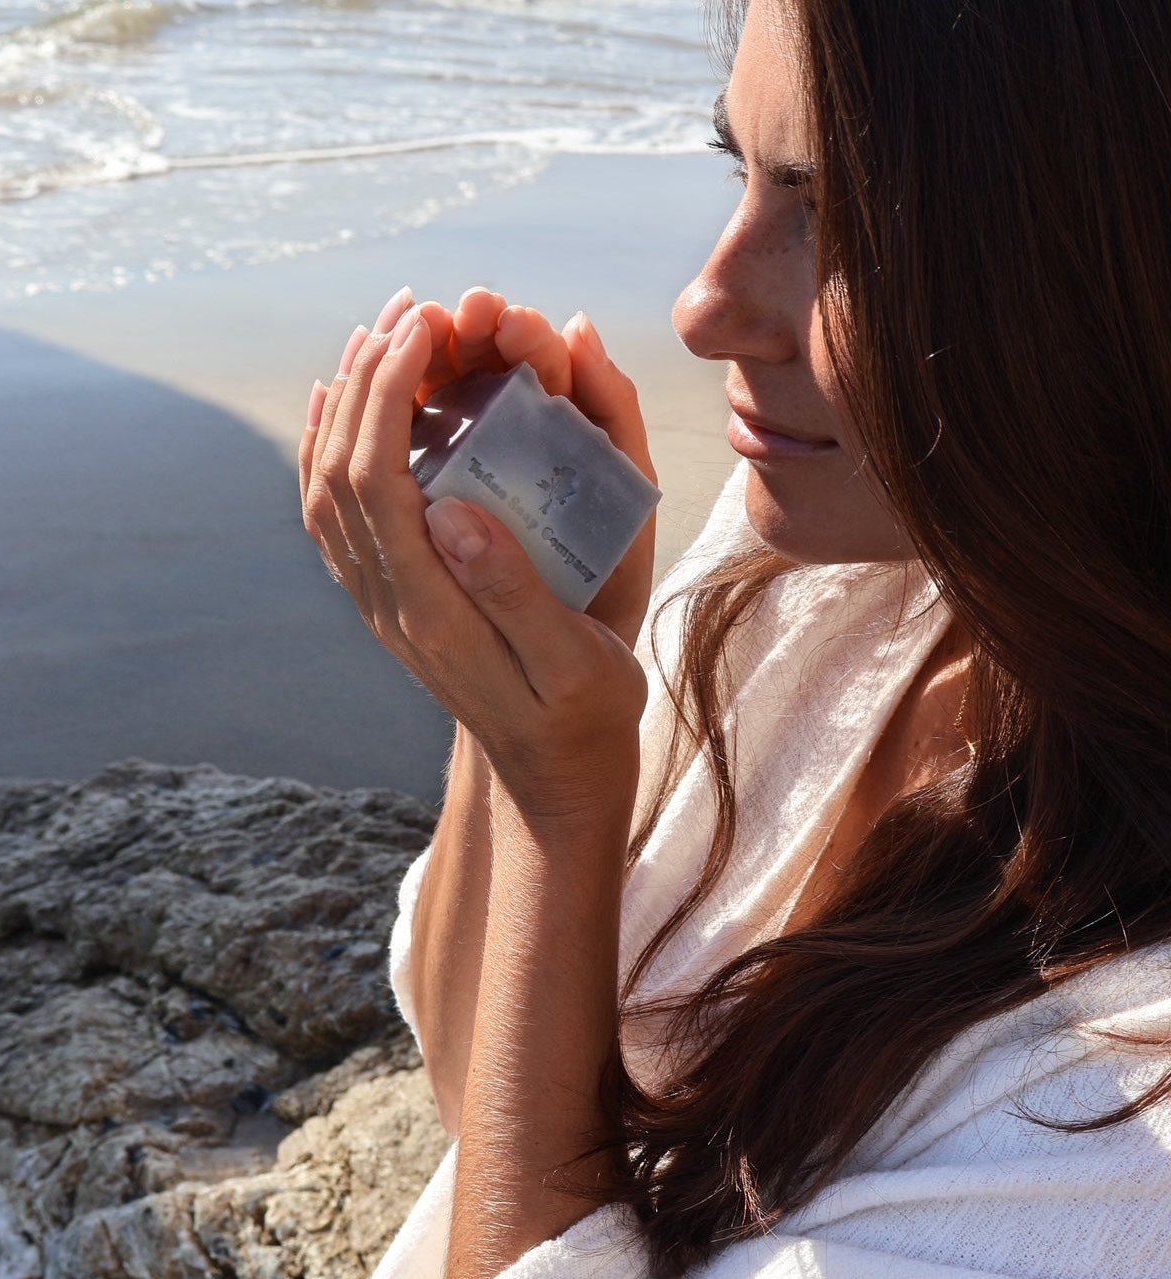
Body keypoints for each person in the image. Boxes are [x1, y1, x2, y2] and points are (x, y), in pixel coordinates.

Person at [298, 0, 1171, 1273]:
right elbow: (464, 1069)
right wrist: (522, 695)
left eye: (844, 219)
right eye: (744, 172)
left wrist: (563, 805)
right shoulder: (846, 573)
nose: (703, 307)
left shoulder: (1124, 1119)